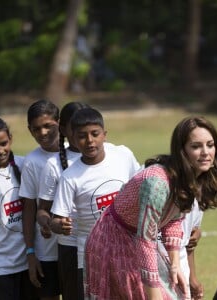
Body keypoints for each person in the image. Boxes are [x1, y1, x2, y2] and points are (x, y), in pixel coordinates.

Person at [84, 116, 217, 300]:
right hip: (113, 239)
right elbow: (146, 238)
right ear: (181, 150)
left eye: (210, 145)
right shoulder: (157, 183)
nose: (205, 152)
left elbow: (174, 220)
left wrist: (175, 263)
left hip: (139, 240)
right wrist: (153, 291)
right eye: (196, 146)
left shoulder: (191, 177)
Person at [50, 107, 140, 299]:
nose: (89, 141)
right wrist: (59, 225)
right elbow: (57, 218)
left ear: (104, 135)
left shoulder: (122, 155)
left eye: (95, 134)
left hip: (128, 249)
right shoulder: (69, 177)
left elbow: (141, 190)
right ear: (73, 139)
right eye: (82, 136)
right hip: (92, 256)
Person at [36, 102, 89, 300]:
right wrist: (51, 223)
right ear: (64, 129)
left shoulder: (112, 154)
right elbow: (42, 210)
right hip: (71, 246)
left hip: (105, 242)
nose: (82, 131)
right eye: (76, 127)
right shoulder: (54, 164)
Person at [19, 99, 61, 300]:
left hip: (75, 247)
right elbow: (28, 209)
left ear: (59, 123)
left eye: (48, 126)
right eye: (36, 129)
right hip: (47, 251)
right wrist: (30, 252)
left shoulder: (76, 152)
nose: (43, 133)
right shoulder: (31, 162)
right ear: (29, 130)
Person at [0, 117, 38, 300]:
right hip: (1, 268)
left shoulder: (25, 165)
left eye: (4, 143)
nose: (0, 151)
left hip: (30, 262)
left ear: (11, 139)